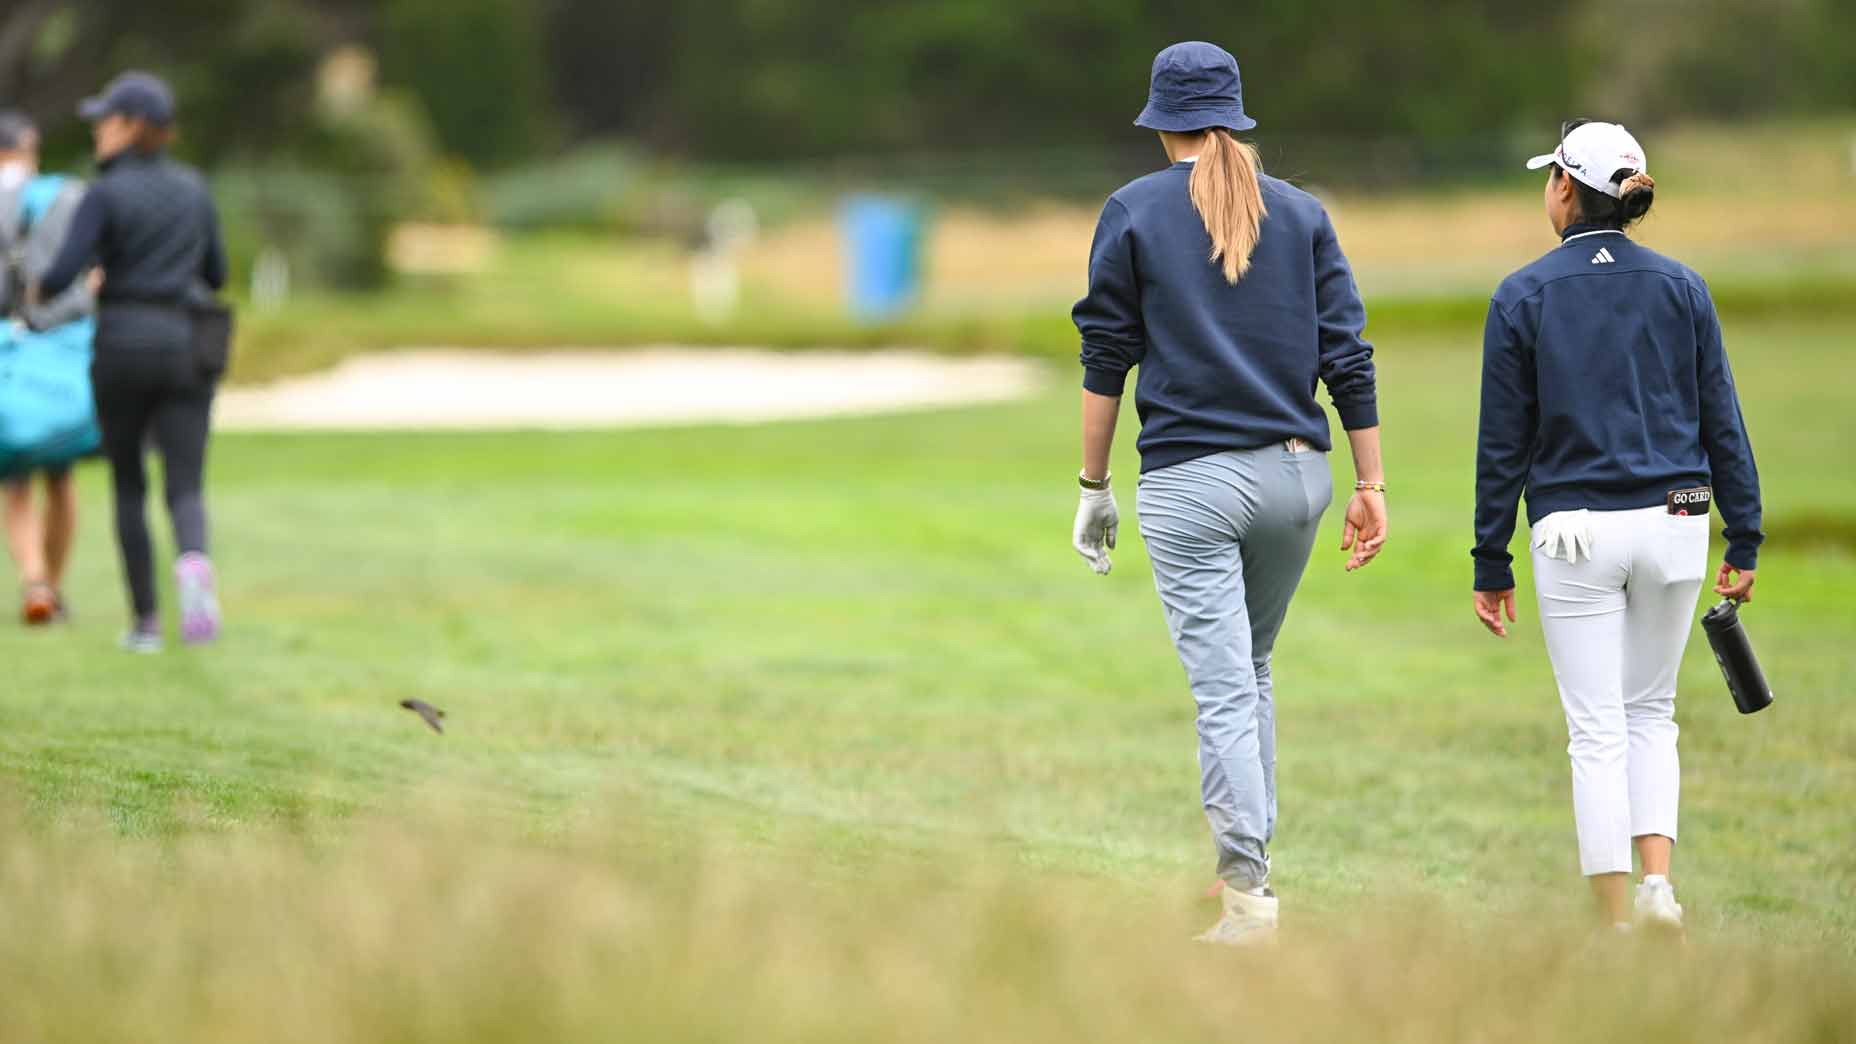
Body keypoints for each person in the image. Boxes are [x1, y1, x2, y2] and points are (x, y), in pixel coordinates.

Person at [1071, 42, 1387, 946]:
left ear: (1161, 122)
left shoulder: (1131, 211)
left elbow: (1106, 360)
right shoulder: (1304, 212)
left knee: (1222, 690)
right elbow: (1349, 356)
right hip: (1300, 477)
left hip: (1194, 484)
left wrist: (1094, 485)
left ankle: (1249, 899)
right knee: (1249, 673)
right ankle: (1244, 876)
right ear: (1236, 115)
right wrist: (1371, 481)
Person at [1472, 120, 1763, 934]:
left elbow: (1504, 444)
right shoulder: (1683, 286)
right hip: (1679, 522)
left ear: (1565, 186)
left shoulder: (1521, 294)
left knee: (1596, 728)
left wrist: (1489, 559)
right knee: (1651, 714)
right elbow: (1722, 422)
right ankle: (1658, 889)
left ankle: (1612, 927)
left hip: (1577, 533)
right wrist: (1744, 536)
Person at [35, 72, 228, 652]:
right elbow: (216, 274)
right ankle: (193, 563)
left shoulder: (105, 192)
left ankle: (145, 622)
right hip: (187, 343)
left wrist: (52, 284)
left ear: (132, 127)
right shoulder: (195, 188)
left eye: (105, 121)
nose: (97, 130)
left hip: (122, 343)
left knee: (128, 484)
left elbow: (59, 273)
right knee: (186, 484)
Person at [0, 110, 96, 625]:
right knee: (59, 477)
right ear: (27, 148)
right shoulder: (65, 197)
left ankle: (34, 578)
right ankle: (52, 587)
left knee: (13, 482)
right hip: (55, 352)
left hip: (5, 356)